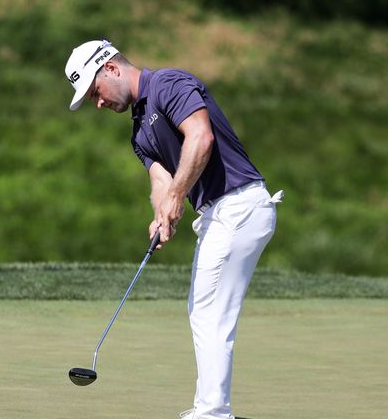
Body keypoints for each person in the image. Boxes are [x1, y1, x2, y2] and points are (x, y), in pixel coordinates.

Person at [65, 39, 283, 419]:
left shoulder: (168, 84)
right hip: (221, 214)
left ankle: (213, 412)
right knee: (204, 309)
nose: (97, 104)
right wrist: (161, 214)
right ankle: (211, 408)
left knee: (209, 309)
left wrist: (178, 196)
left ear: (111, 69)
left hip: (239, 204)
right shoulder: (138, 132)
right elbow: (161, 184)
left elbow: (201, 137)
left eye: (94, 91)